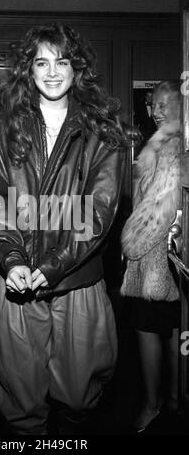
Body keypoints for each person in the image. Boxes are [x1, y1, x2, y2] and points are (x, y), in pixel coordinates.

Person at [0, 23, 127, 435]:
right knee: (21, 400)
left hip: (78, 277)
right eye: (42, 62)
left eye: (62, 61)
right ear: (29, 69)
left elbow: (98, 207)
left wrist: (57, 260)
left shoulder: (103, 128)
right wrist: (11, 258)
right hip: (15, 280)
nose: (53, 71)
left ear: (77, 68)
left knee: (80, 395)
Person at [121, 80, 181, 432]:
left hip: (155, 256)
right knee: (171, 330)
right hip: (165, 256)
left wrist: (131, 244)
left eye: (164, 104)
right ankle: (172, 399)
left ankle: (152, 404)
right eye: (153, 105)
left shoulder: (170, 147)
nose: (156, 112)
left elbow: (160, 211)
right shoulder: (163, 144)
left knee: (149, 330)